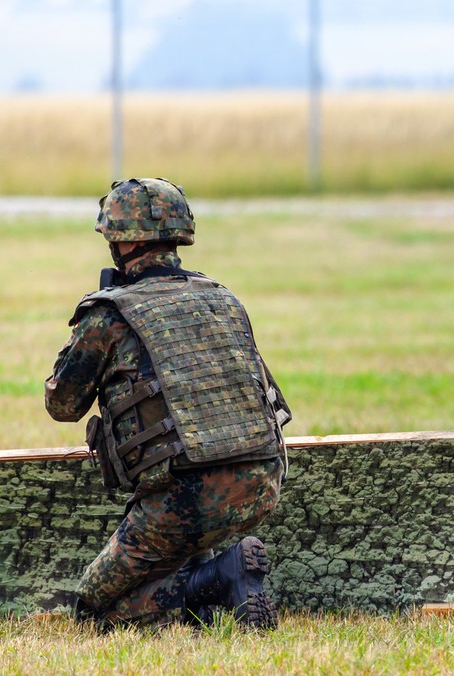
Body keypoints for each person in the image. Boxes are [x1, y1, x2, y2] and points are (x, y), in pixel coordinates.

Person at [45, 178, 292, 629]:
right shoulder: (222, 298)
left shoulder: (108, 314)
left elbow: (62, 404)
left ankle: (219, 575)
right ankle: (219, 585)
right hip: (262, 482)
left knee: (94, 610)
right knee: (175, 553)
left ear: (125, 241)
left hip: (183, 496)